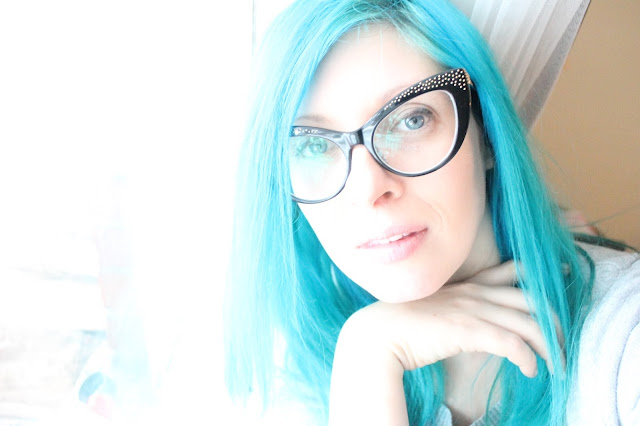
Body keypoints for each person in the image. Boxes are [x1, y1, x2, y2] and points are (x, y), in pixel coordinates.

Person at [224, 1, 640, 424]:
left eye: (411, 120)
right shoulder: (306, 374)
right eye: (314, 145)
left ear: (486, 132)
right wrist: (367, 356)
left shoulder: (625, 337)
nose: (368, 189)